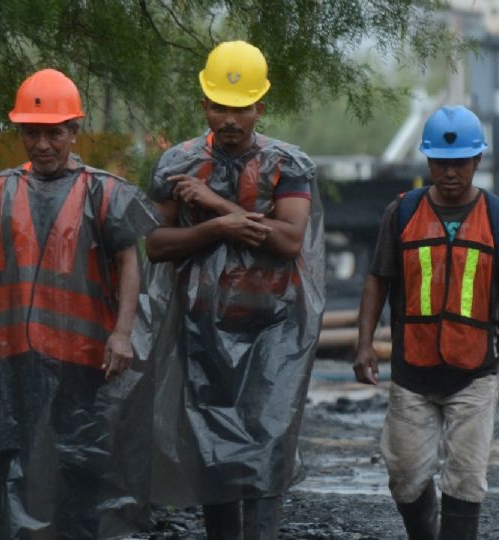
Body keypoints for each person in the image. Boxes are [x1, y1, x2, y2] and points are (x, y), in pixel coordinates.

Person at [0, 68, 158, 539]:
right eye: (32, 133)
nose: (43, 145)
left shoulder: (104, 191)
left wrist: (122, 332)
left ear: (74, 131)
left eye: (54, 133)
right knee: (14, 458)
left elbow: (130, 262)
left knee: (80, 463)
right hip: (15, 354)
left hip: (82, 358)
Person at [144, 41, 325, 539]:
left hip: (274, 331)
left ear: (259, 108)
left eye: (240, 108)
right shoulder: (175, 163)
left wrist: (212, 203)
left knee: (267, 446)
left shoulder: (288, 164)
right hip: (200, 329)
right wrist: (217, 229)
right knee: (212, 451)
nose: (229, 119)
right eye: (220, 106)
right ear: (204, 104)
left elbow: (289, 241)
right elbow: (155, 244)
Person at [352, 105, 499, 540]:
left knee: (466, 481)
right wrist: (363, 344)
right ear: (428, 162)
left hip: (474, 374)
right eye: (441, 163)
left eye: (460, 164)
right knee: (405, 477)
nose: (450, 173)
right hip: (412, 373)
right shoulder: (401, 213)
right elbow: (377, 281)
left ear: (477, 161)